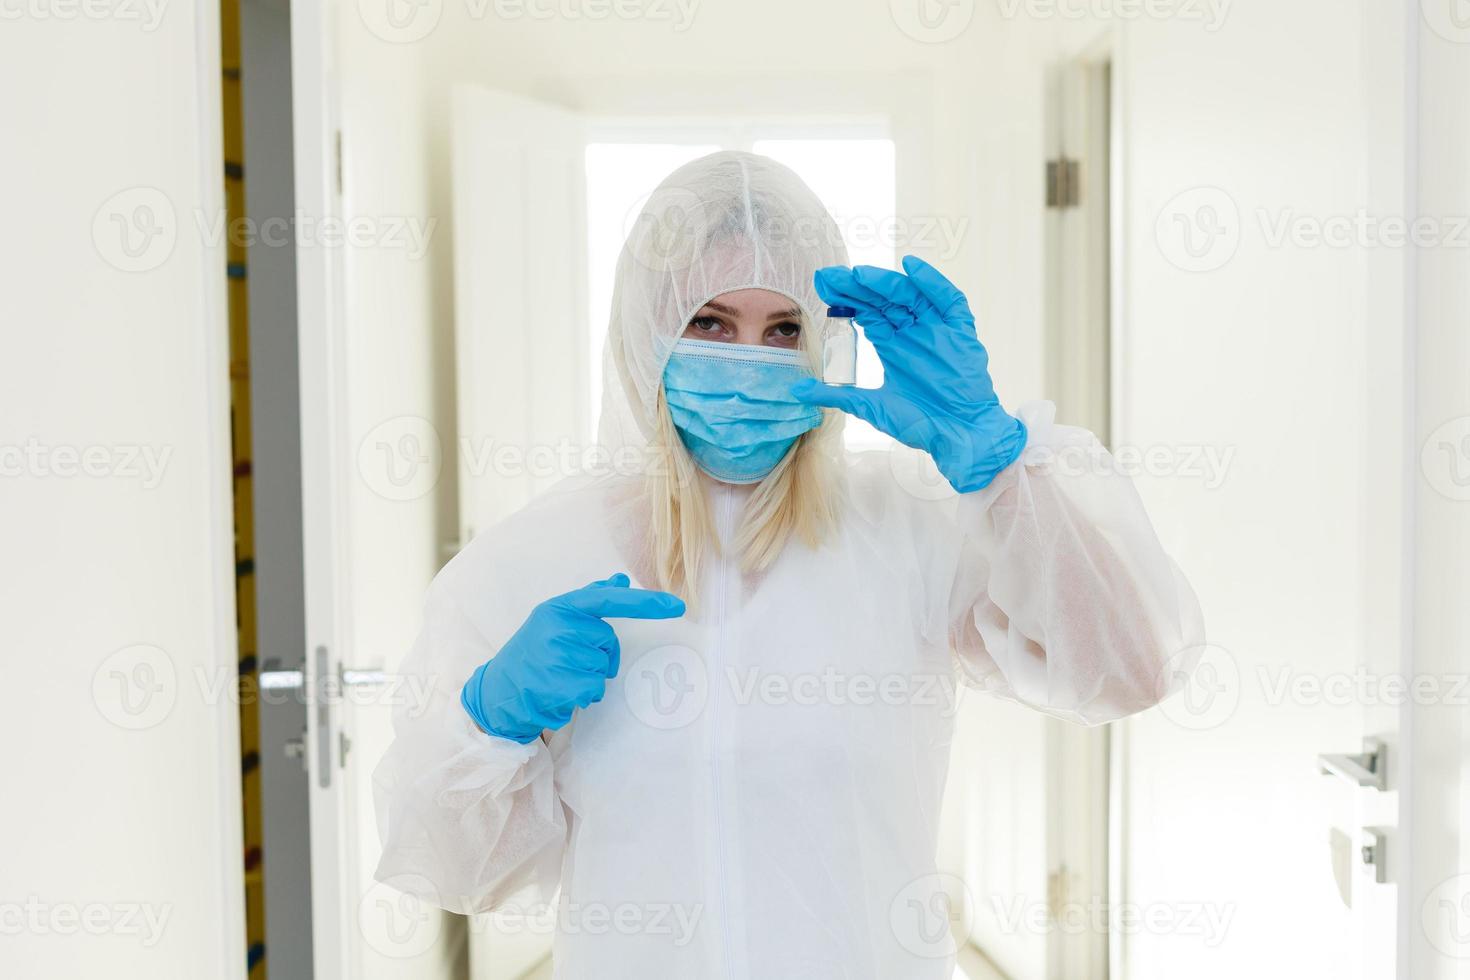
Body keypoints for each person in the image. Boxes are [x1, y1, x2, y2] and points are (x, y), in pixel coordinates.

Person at [373, 150, 1204, 978]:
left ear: (823, 345)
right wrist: (490, 720)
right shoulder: (538, 558)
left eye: (783, 330)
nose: (749, 358)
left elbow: (1127, 670)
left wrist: (1002, 465)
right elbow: (451, 867)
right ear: (645, 331)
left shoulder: (906, 529)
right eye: (709, 322)